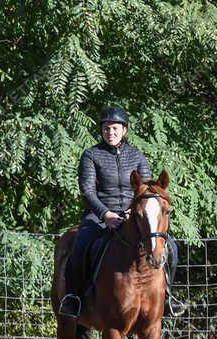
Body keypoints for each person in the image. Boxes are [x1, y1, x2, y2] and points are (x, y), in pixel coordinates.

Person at [60, 106, 179, 319]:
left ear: (124, 130)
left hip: (132, 215)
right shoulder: (91, 155)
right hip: (98, 216)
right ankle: (73, 298)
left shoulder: (136, 155)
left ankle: (168, 295)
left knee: (170, 246)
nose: (110, 132)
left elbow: (146, 189)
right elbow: (87, 190)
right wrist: (106, 214)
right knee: (79, 245)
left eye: (115, 128)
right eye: (106, 128)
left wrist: (130, 211)